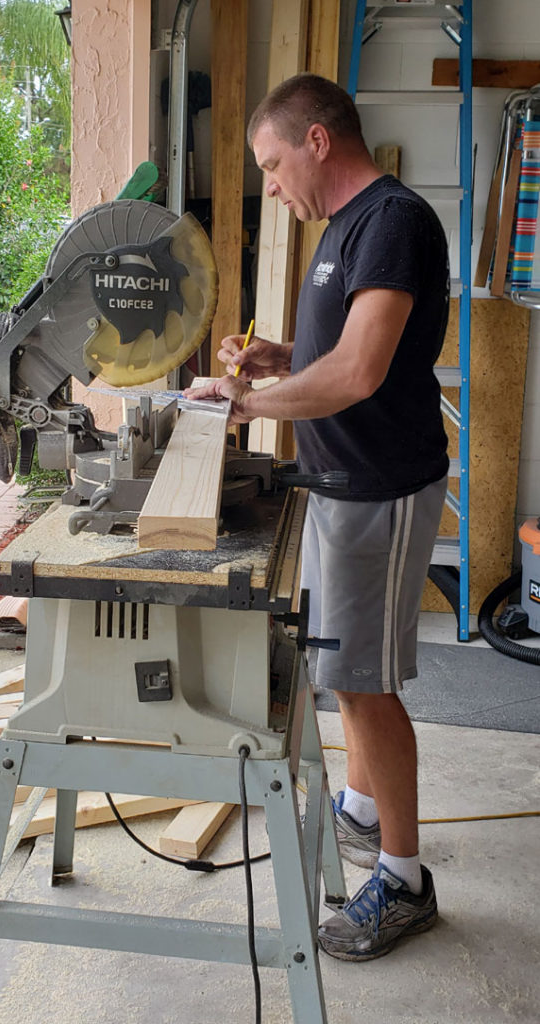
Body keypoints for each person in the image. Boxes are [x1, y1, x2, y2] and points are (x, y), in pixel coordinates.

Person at [185, 73, 450, 962]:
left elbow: (362, 373)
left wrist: (247, 403)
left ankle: (406, 880)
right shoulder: (345, 230)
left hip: (381, 485)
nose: (270, 184)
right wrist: (275, 356)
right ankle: (367, 815)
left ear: (318, 142)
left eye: (270, 163)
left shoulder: (393, 222)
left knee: (367, 685)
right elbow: (335, 354)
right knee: (346, 669)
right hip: (342, 484)